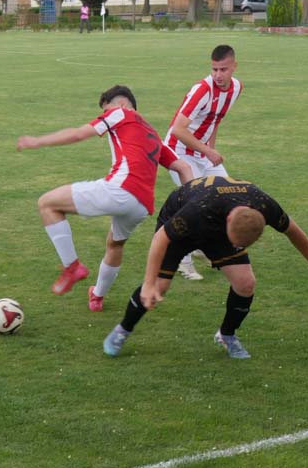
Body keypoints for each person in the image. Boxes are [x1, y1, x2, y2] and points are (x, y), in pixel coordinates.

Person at [102, 175, 308, 359]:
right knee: (159, 287)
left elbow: (293, 231)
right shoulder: (200, 210)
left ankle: (227, 335)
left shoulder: (264, 205)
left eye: (239, 245)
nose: (236, 247)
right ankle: (123, 329)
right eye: (235, 242)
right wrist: (149, 283)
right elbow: (160, 239)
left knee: (246, 283)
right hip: (180, 223)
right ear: (230, 222)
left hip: (217, 228)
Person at [17, 85, 193, 310]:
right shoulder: (153, 134)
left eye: (105, 109)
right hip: (141, 206)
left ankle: (72, 267)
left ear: (120, 104)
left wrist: (38, 141)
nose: (104, 115)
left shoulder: (120, 113)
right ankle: (97, 296)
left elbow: (79, 133)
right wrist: (191, 206)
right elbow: (184, 167)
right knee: (115, 244)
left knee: (47, 204)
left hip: (121, 189)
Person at [164, 43, 243, 281]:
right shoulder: (202, 90)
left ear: (234, 67)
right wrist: (208, 151)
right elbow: (177, 129)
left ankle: (203, 247)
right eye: (214, 69)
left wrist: (210, 148)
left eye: (223, 69)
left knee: (228, 195)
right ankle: (182, 261)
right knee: (195, 204)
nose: (218, 75)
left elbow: (215, 119)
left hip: (201, 152)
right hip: (177, 152)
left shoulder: (236, 88)